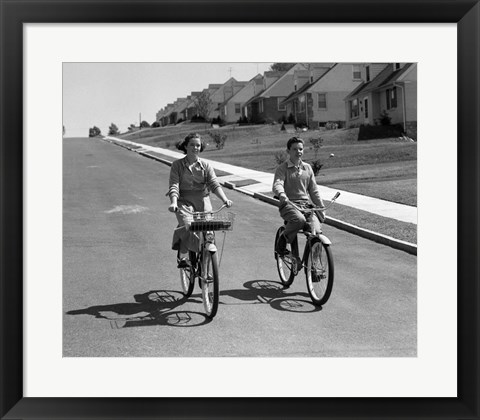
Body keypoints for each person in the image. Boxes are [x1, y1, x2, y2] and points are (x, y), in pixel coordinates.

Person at [167, 132, 233, 267]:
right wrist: (174, 202)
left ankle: (206, 263)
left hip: (203, 200)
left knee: (208, 229)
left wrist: (225, 199)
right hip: (183, 201)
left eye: (198, 145)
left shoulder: (206, 166)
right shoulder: (177, 165)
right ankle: (183, 255)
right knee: (187, 224)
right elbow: (174, 185)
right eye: (192, 145)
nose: (195, 148)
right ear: (185, 146)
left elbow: (214, 184)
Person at [272, 136, 325, 256]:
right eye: (295, 149)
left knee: (316, 232)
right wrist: (281, 194)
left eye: (300, 149)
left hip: (306, 206)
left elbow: (314, 190)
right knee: (299, 220)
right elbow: (277, 184)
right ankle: (282, 242)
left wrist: (321, 208)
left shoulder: (307, 168)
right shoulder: (282, 168)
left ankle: (315, 267)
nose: (298, 152)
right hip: (289, 204)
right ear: (288, 151)